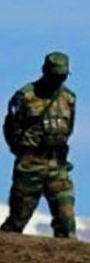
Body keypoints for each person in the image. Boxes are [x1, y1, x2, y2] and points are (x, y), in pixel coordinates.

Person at [1, 51, 77, 238]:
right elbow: (10, 127)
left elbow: (69, 128)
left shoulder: (68, 98)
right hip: (30, 165)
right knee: (17, 222)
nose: (59, 80)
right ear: (45, 72)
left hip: (57, 166)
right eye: (55, 76)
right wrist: (22, 152)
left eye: (62, 76)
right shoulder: (25, 97)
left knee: (66, 222)